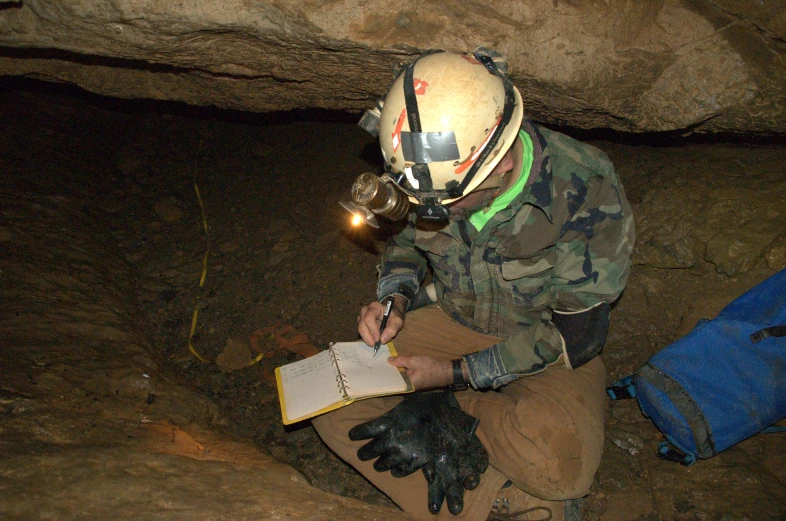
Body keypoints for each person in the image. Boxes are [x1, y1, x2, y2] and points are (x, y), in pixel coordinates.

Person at [313, 49, 635, 521]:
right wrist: (395, 298)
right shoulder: (426, 169)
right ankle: (503, 504)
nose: (433, 212)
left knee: (563, 467)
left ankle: (445, 414)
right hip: (455, 319)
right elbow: (403, 245)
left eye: (450, 202)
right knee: (325, 395)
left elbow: (576, 337)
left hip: (542, 342)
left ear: (502, 161)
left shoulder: (586, 189)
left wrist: (450, 379)